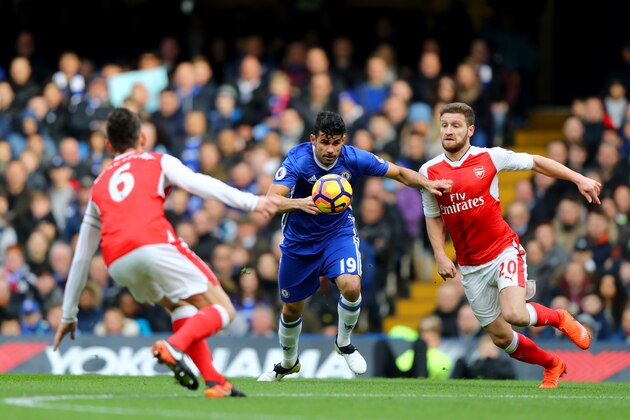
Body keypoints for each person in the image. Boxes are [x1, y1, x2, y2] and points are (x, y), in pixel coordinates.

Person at [52, 108, 279, 398]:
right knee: (224, 309)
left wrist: (68, 312)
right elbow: (201, 184)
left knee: (181, 305)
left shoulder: (98, 185)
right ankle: (174, 346)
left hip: (118, 262)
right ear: (143, 138)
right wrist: (252, 202)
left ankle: (214, 381)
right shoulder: (157, 161)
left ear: (108, 146)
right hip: (153, 244)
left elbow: (82, 255)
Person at [257, 110, 452, 381]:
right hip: (299, 242)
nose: (330, 149)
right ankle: (289, 361)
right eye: (324, 142)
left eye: (335, 143)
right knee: (292, 308)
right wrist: (301, 202)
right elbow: (271, 199)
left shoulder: (353, 157)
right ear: (313, 139)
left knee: (351, 285)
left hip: (338, 234)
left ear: (343, 141)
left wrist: (427, 183)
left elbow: (397, 173)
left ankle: (344, 342)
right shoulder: (297, 160)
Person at [420, 102, 601, 389]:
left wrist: (578, 178)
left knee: (515, 313)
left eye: (455, 125)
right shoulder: (429, 171)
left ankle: (560, 317)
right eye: (444, 125)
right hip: (470, 266)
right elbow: (433, 217)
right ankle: (552, 365)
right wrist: (440, 254)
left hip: (503, 250)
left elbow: (537, 162)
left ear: (470, 130)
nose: (449, 131)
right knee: (501, 337)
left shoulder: (491, 158)